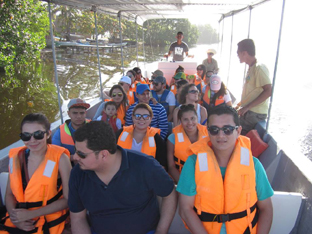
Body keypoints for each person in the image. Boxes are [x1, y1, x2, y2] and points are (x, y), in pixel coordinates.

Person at [177, 105, 274, 234]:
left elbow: (266, 208)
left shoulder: (254, 165)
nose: (220, 135)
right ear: (208, 131)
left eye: (227, 129)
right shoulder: (193, 164)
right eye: (214, 130)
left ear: (238, 131)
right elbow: (185, 209)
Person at [68, 121, 177, 234]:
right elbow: (78, 218)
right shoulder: (78, 174)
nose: (75, 157)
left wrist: (161, 231)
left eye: (81, 154)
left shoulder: (145, 165)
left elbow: (169, 193)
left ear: (103, 154)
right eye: (75, 151)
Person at [1, 113, 71, 234]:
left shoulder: (61, 159)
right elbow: (9, 194)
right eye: (26, 136)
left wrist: (32, 214)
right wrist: (16, 219)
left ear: (48, 133)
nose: (32, 140)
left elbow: (68, 199)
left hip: (48, 221)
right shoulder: (17, 158)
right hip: (17, 220)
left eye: (38, 134)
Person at [236, 39, 272, 135]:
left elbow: (268, 91)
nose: (237, 55)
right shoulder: (251, 67)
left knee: (238, 134)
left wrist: (247, 107)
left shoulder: (259, 68)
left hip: (254, 114)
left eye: (238, 53)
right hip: (248, 112)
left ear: (244, 53)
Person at [116, 103, 167, 169]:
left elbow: (162, 166)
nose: (141, 119)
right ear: (133, 117)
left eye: (146, 116)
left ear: (151, 118)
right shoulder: (121, 133)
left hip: (146, 176)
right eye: (137, 116)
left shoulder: (156, 139)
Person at [167, 104, 208, 183]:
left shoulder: (208, 136)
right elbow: (171, 167)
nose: (190, 122)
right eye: (185, 119)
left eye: (192, 118)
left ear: (197, 118)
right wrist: (184, 184)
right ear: (180, 121)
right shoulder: (172, 138)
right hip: (181, 178)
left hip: (203, 179)